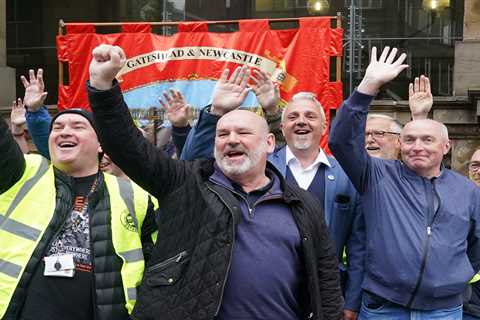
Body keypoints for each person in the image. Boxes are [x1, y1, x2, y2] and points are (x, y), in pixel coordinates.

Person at [87, 44, 343, 320]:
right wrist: (103, 87)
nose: (231, 139)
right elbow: (128, 146)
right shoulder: (186, 183)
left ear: (270, 143)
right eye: (222, 134)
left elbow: (325, 279)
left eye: (243, 132)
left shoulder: (301, 204)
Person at [175, 68, 364, 319]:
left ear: (324, 124)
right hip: (262, 298)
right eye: (293, 116)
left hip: (322, 296)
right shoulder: (256, 167)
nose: (301, 121)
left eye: (310, 116)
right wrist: (215, 113)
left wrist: (350, 301)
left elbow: (358, 245)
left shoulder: (347, 175)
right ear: (281, 129)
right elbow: (193, 166)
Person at [329, 46, 480, 319]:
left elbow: (476, 245)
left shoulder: (466, 190)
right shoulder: (377, 176)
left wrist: (453, 277)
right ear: (399, 145)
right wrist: (368, 85)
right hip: (384, 308)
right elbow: (340, 141)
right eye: (409, 140)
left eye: (427, 140)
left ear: (447, 146)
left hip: (443, 311)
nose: (417, 146)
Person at [0, 105, 155, 319]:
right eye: (57, 127)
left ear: (100, 144)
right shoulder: (28, 172)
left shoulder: (135, 195)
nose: (64, 131)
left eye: (77, 126)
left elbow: (159, 268)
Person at [365, 75, 433, 160]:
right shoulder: (348, 170)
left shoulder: (406, 171)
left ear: (399, 141)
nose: (369, 139)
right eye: (365, 135)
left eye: (379, 133)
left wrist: (419, 117)